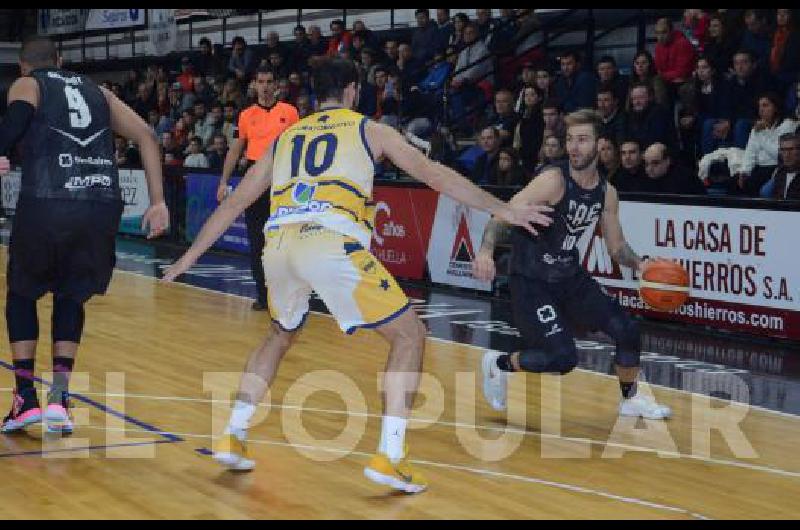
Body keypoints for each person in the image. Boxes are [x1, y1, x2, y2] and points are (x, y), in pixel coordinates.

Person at [162, 57, 552, 493]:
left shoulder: (287, 136)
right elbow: (434, 175)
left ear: (314, 94)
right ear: (351, 91)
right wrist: (504, 208)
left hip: (279, 246)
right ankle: (391, 455)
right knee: (410, 336)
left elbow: (234, 204)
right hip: (328, 240)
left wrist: (188, 258)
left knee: (279, 333)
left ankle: (232, 432)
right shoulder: (369, 129)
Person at [0, 36, 169, 434]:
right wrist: (157, 201)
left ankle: (25, 397)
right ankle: (59, 398)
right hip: (99, 203)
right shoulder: (99, 92)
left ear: (25, 65)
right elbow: (146, 134)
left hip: (49, 198)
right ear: (62, 60)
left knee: (22, 293)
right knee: (70, 293)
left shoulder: (29, 84)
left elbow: (13, 126)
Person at [472, 109, 673, 421]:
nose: (574, 147)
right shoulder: (553, 181)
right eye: (570, 140)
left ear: (600, 144)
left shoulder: (606, 193)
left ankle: (630, 400)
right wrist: (485, 252)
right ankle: (499, 364)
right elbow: (502, 215)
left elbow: (617, 247)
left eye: (582, 139)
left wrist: (642, 264)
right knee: (562, 358)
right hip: (532, 280)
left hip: (569, 276)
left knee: (627, 329)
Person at [216, 67, 299, 310]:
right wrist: (223, 181)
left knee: (286, 238)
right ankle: (263, 295)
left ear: (276, 85)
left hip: (283, 176)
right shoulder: (246, 115)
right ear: (254, 84)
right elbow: (235, 149)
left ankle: (290, 293)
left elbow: (300, 145)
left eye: (269, 81)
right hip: (254, 176)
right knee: (257, 239)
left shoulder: (289, 112)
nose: (265, 86)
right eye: (260, 81)